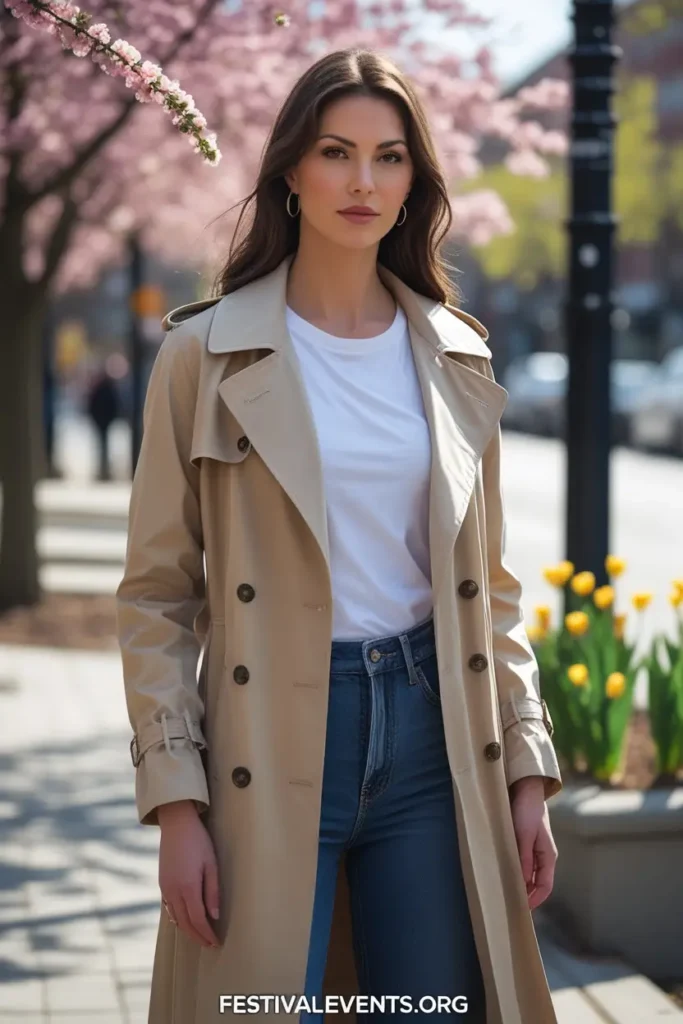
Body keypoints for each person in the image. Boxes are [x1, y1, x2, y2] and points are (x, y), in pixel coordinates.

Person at [116, 47, 563, 1024]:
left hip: (430, 740)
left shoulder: (456, 352)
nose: (363, 181)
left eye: (389, 157)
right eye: (335, 151)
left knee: (428, 1010)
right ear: (290, 170)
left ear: (415, 182)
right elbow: (157, 597)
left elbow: (486, 589)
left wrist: (525, 769)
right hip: (264, 746)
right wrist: (175, 802)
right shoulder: (203, 354)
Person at [85, 363, 121, 481]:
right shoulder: (107, 388)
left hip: (102, 421)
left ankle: (103, 469)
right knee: (103, 446)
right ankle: (103, 469)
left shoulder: (102, 388)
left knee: (102, 446)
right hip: (103, 421)